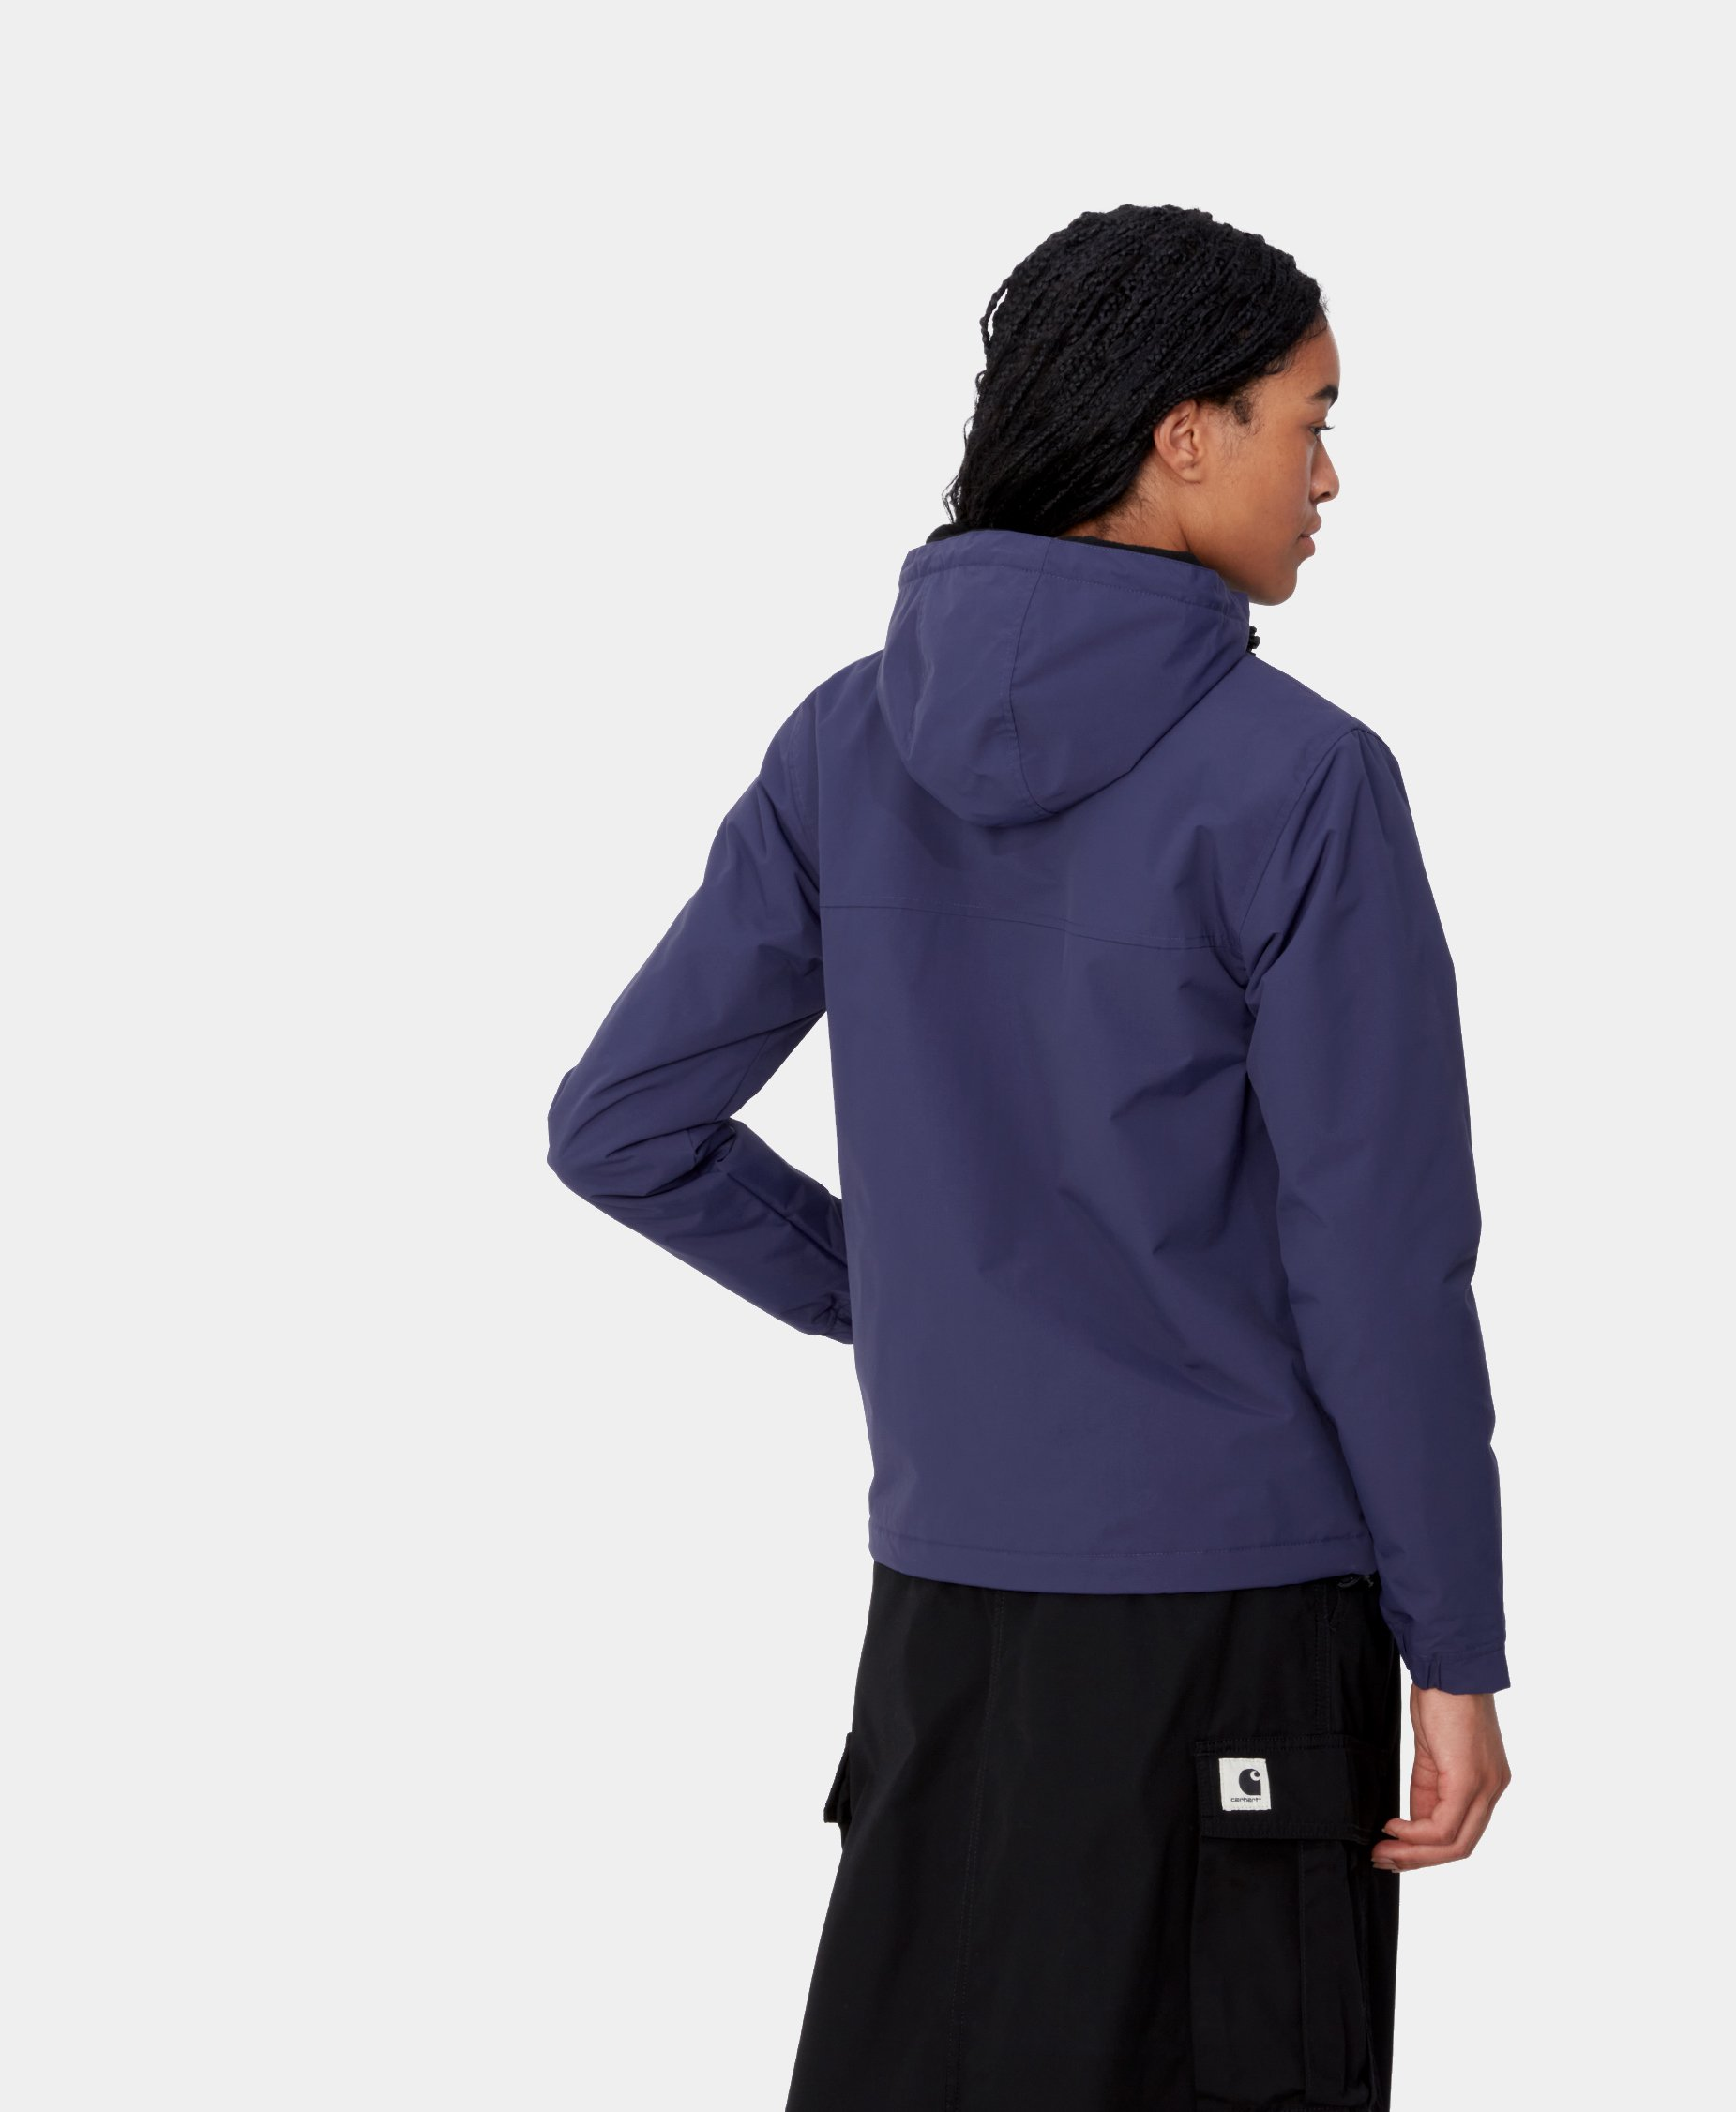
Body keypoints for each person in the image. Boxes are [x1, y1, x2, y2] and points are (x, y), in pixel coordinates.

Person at [545, 204, 1510, 2110]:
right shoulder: (1303, 777)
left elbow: (626, 1124)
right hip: (1242, 1611)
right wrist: (1456, 1654)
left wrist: (914, 1292)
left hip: (950, 1631)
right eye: (1309, 420)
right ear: (1185, 435)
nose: (1330, 475)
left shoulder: (844, 744)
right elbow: (1379, 1264)